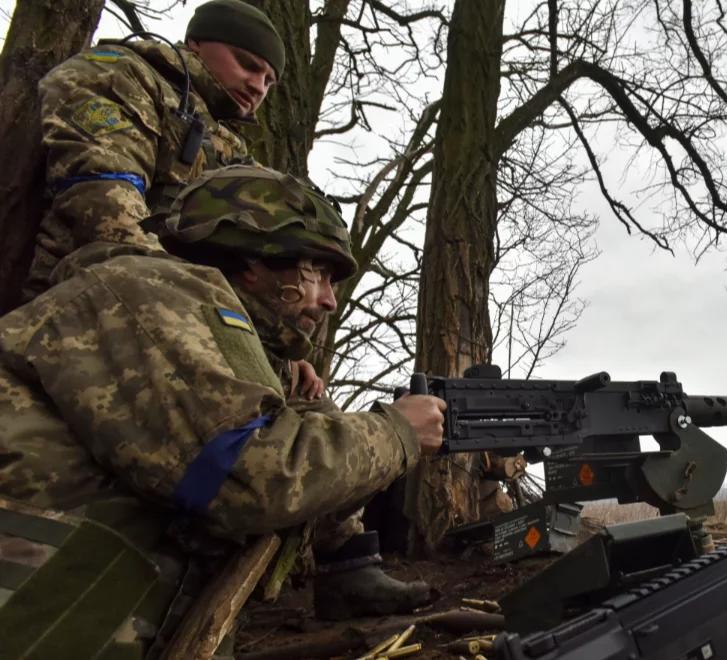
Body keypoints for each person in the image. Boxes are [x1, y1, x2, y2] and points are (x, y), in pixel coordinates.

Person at [0, 165, 445, 656]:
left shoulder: (207, 328)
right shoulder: (148, 292)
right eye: (319, 273)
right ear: (255, 259)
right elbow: (251, 477)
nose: (329, 301)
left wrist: (314, 414)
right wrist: (397, 431)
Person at [23, 0, 284, 300]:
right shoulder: (120, 75)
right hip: (74, 299)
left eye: (269, 82)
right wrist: (199, 297)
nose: (258, 87)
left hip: (166, 305)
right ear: (196, 44)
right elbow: (103, 207)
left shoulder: (230, 146)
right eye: (248, 65)